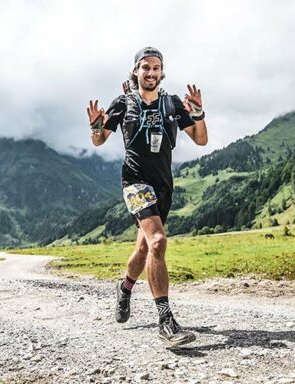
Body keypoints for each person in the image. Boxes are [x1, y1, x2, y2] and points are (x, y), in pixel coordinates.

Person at [87, 47, 208, 347]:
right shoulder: (124, 103)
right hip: (135, 182)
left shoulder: (172, 103)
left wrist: (198, 114)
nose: (151, 72)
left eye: (156, 67)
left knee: (143, 249)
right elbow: (99, 140)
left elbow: (201, 139)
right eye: (145, 67)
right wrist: (96, 126)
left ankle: (125, 288)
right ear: (136, 71)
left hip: (163, 185)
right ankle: (166, 321)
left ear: (161, 72)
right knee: (158, 242)